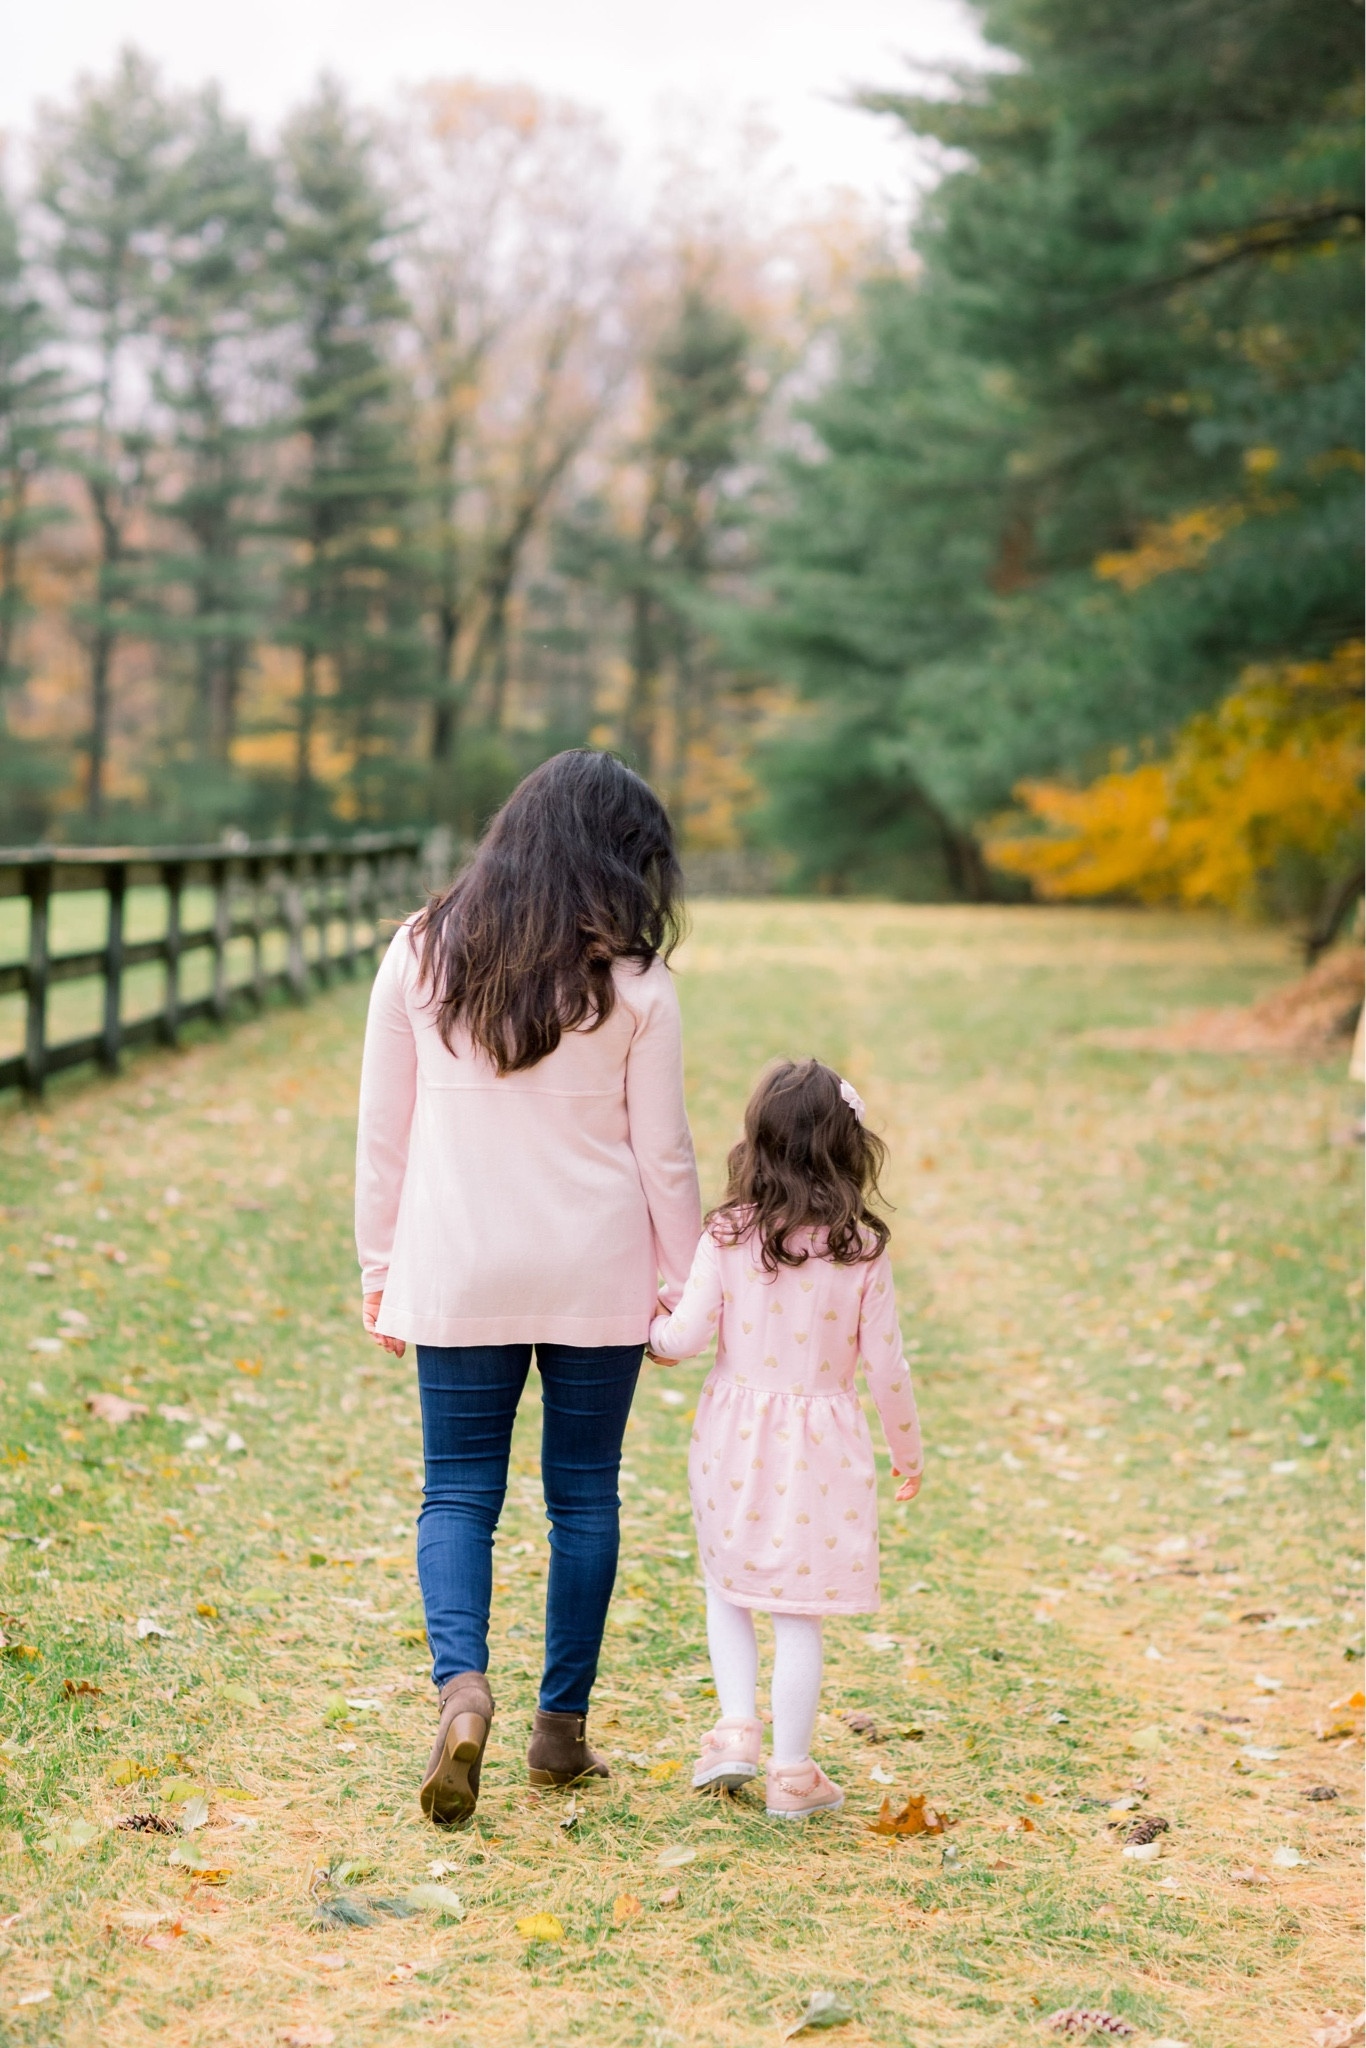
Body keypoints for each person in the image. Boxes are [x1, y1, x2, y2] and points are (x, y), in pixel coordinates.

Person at [355, 751, 701, 1826]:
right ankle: (560, 1731)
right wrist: (688, 1287)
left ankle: (462, 1691)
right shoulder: (637, 984)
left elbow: (384, 1136)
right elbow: (669, 1157)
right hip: (594, 1268)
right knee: (582, 1495)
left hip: (461, 1265)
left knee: (457, 1488)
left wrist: (380, 1267)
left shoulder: (419, 953)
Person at [647, 1058, 923, 1819]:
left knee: (727, 1585)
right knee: (799, 1608)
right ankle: (793, 1775)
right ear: (849, 1149)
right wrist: (908, 1452)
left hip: (734, 1438)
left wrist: (654, 1332)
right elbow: (888, 1366)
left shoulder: (729, 1234)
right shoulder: (859, 1248)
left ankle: (736, 1731)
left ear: (756, 1144)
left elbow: (687, 1335)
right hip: (825, 1443)